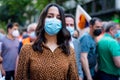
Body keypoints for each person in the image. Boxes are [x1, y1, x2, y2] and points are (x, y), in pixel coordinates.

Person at [15, 3, 79, 80]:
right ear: (43, 20)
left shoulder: (69, 51)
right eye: (50, 16)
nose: (54, 20)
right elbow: (20, 77)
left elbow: (74, 77)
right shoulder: (27, 49)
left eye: (58, 18)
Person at [65, 14, 83, 80]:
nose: (69, 27)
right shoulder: (56, 42)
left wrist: (80, 76)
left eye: (71, 25)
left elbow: (78, 62)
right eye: (66, 25)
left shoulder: (76, 42)